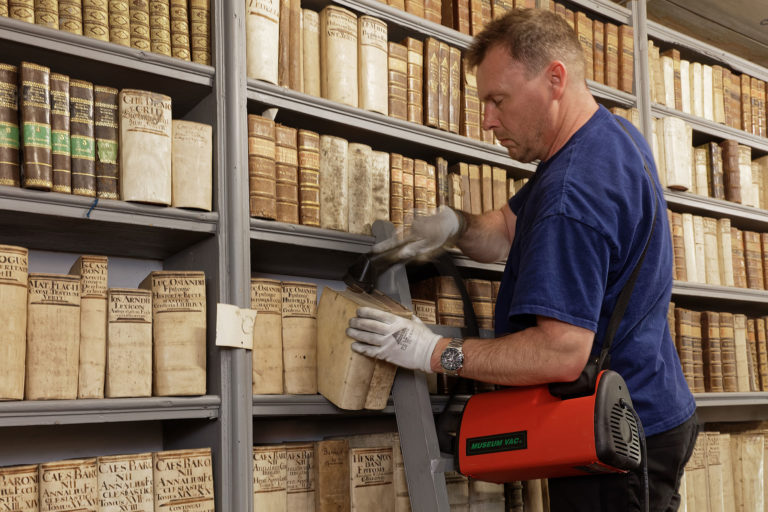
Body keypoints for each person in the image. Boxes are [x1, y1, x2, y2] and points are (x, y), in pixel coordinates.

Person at [346, 8, 697, 512]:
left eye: (498, 100)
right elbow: (509, 229)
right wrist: (457, 227)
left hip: (613, 437)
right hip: (647, 408)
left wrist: (433, 352)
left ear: (555, 79)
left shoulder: (572, 193)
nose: (488, 120)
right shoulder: (606, 137)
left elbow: (559, 352)